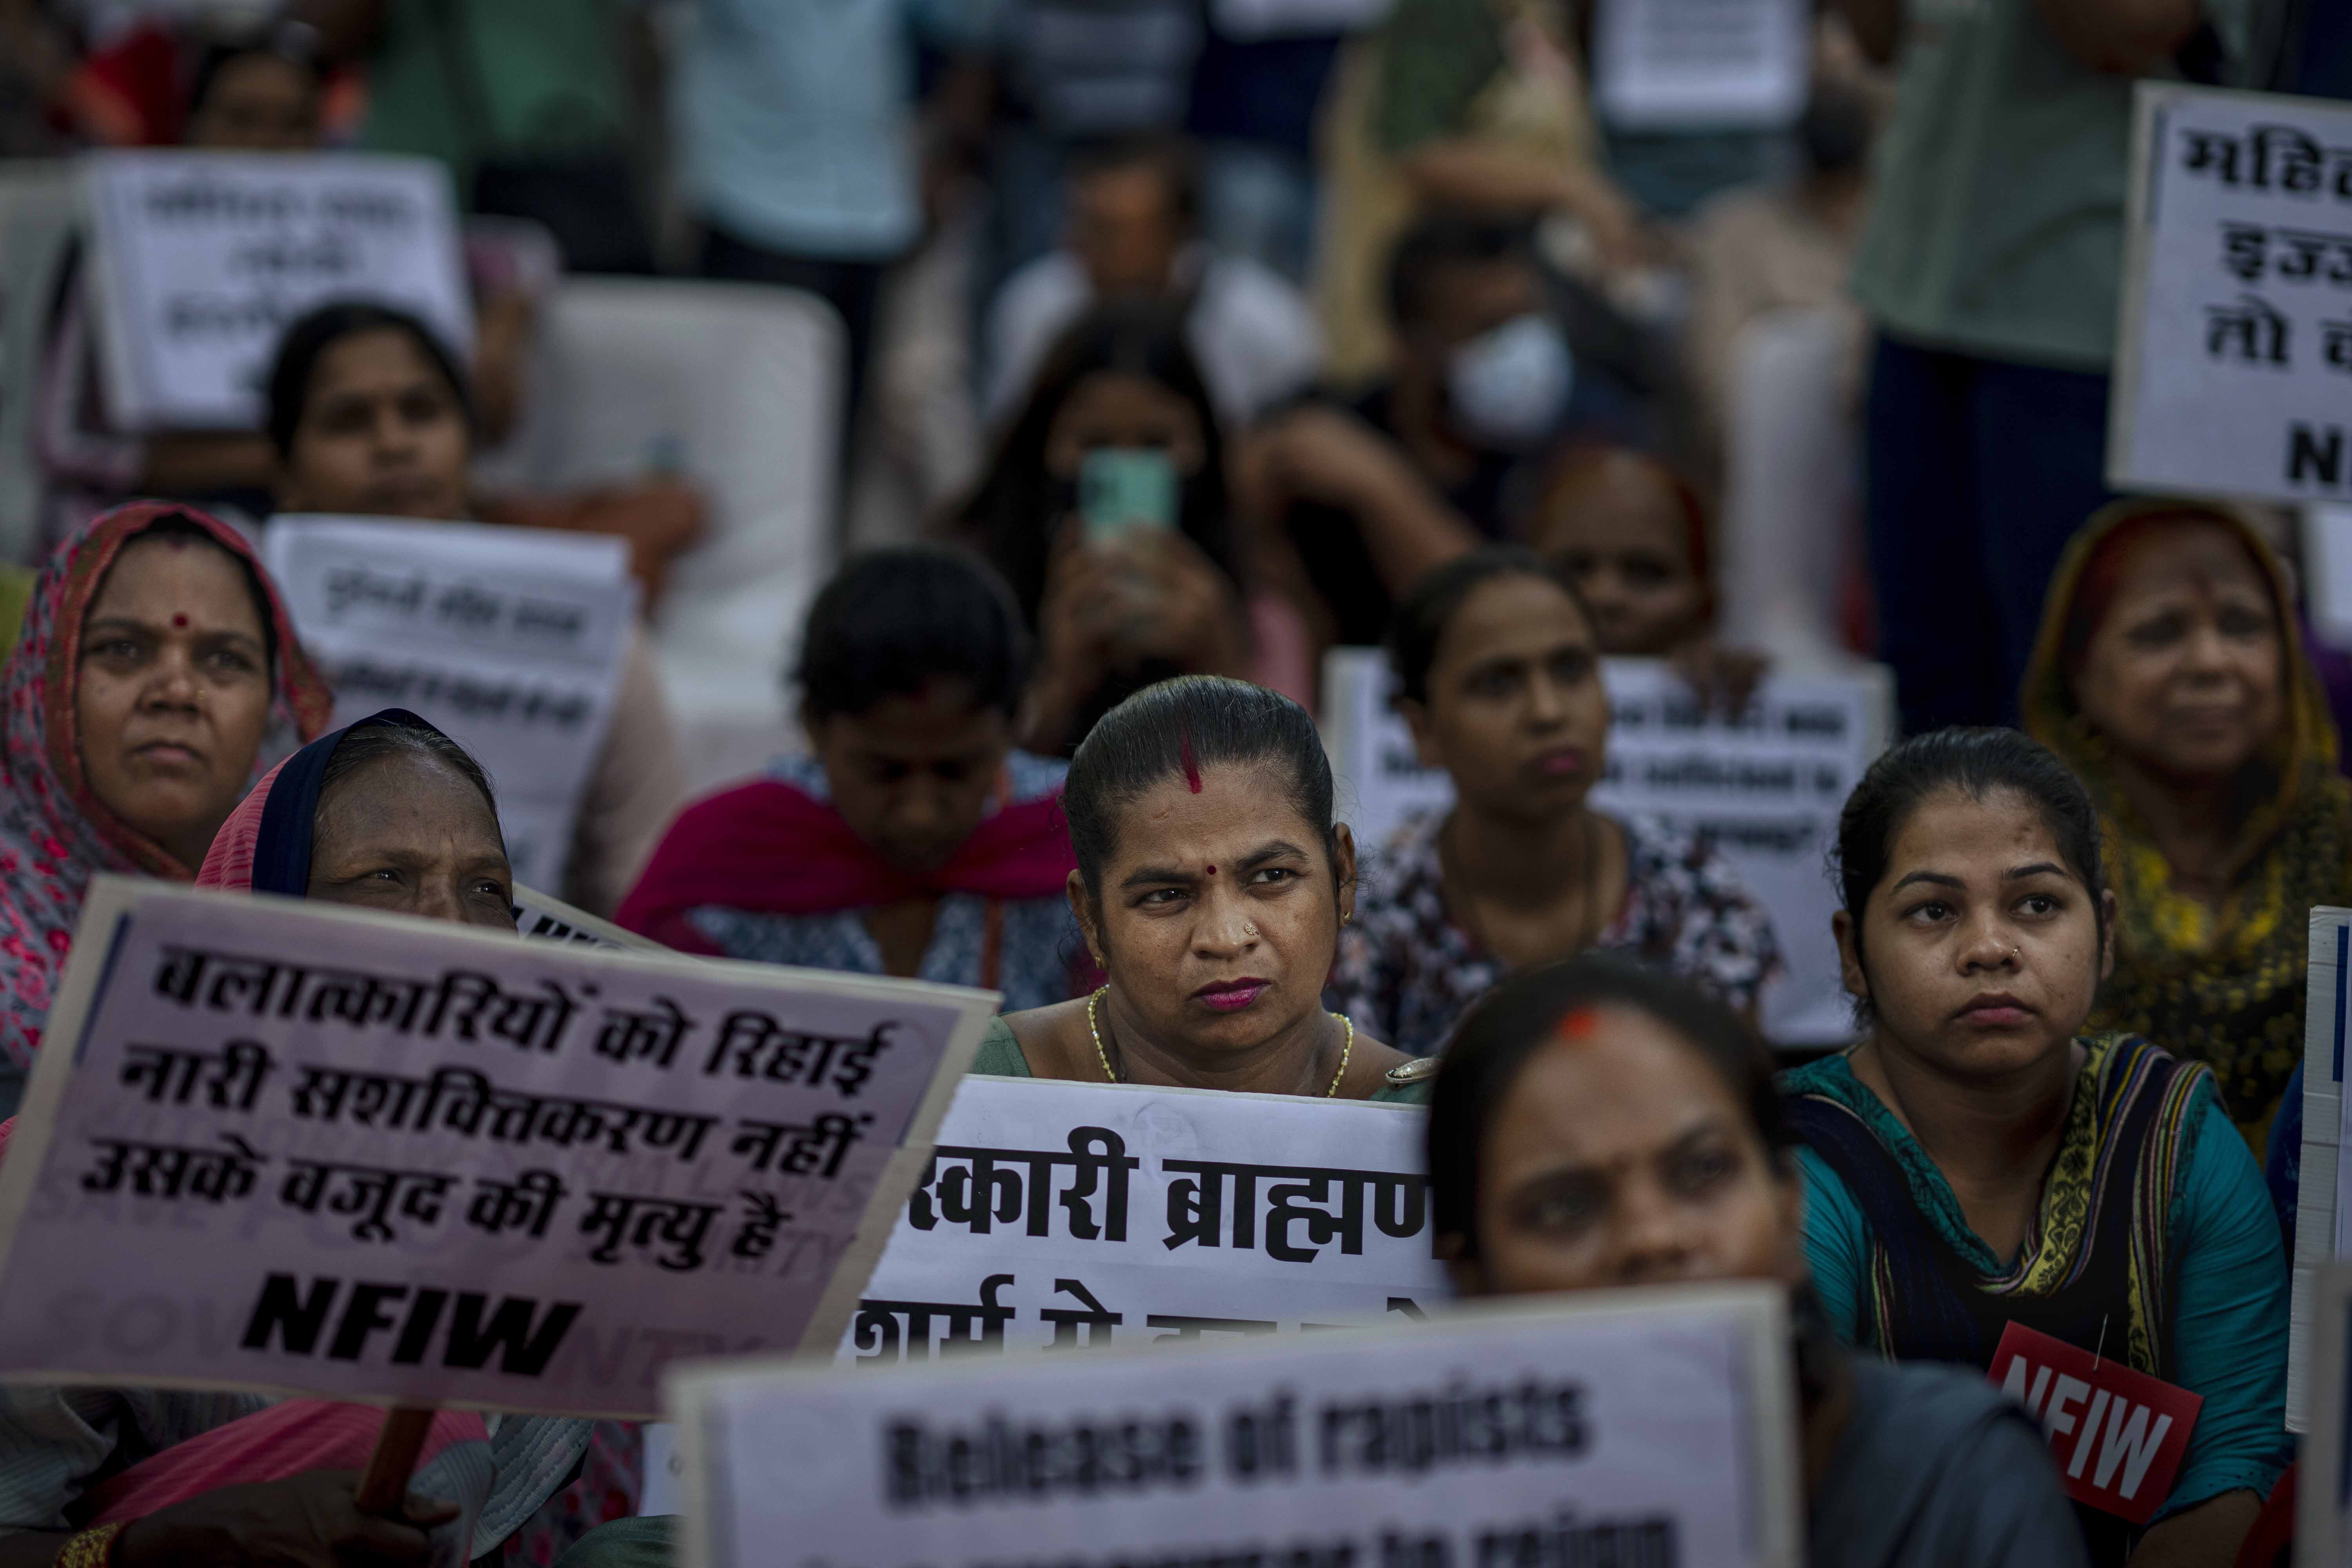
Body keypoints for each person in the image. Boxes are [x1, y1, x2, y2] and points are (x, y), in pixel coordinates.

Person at [0, 710, 588, 1568]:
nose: (456, 931)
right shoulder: (80, 1179)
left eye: (487, 889)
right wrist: (163, 1546)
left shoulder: (529, 1188)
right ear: (263, 915)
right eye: (388, 877)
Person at [1784, 727, 2289, 1565]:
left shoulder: (2176, 1135)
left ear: (2108, 929)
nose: (1990, 947)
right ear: (1853, 953)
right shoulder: (1798, 1162)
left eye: (2037, 903)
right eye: (1933, 910)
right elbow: (1798, 1472)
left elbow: (2238, 1454)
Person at [1426, 953, 2091, 1568]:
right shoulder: (1406, 1521)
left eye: (1704, 1170)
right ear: (1472, 1275)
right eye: (1564, 1207)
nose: (1652, 1237)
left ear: (1785, 1208)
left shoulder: (1953, 1480)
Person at [1837, 0, 2256, 732]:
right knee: (1929, 690)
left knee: (2065, 692)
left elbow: (2126, 29)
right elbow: (1877, 38)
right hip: (1918, 287)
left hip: (2081, 313)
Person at [264, 300, 690, 916]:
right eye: (349, 420)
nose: (394, 443)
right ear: (286, 469)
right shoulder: (237, 633)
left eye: (422, 411)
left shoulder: (592, 636)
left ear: (469, 443)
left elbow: (647, 890)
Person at [1330, 548, 1779, 1054]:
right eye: (1497, 683)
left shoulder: (1694, 891)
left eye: (1571, 670)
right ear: (1423, 730)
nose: (1548, 712)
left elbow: (1730, 1105)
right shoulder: (1367, 916)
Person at [617, 547, 1083, 1008]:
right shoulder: (719, 863)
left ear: (1013, 727)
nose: (920, 813)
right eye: (883, 772)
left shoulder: (1080, 841)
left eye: (956, 771)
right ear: (814, 728)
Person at [2021, 499, 2345, 1147]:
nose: (2210, 662)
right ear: (2080, 670)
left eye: (2243, 626)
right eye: (2160, 632)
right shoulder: (2024, 851)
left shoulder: (2344, 841)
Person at [0, 501, 331, 1083]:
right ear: (43, 682)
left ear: (273, 710)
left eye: (225, 660)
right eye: (122, 650)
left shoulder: (325, 921)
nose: (177, 691)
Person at [976, 674, 1424, 1098]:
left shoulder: (1437, 1124)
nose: (1225, 939)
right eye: (1166, 895)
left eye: (1272, 876)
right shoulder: (970, 1086)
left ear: (1342, 874)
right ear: (1090, 917)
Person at [953, 301, 1265, 755]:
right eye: (1095, 445)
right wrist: (1058, 689)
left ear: (1204, 449)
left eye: (1156, 444)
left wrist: (1223, 669)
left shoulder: (1261, 597)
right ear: (1042, 447)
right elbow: (960, 787)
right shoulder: (973, 596)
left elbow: (1290, 790)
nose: (1126, 467)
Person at [983, 136, 1323, 428]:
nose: (1078, 244)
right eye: (1078, 223)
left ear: (1178, 233)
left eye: (1107, 231)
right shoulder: (1032, 306)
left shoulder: (1267, 322)